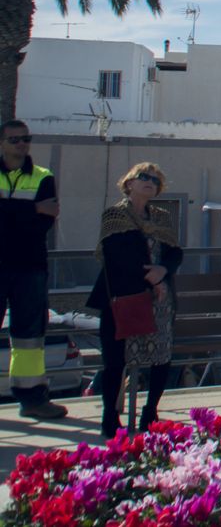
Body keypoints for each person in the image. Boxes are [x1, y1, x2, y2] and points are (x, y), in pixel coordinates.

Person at [88, 163, 183, 436]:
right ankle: (110, 415)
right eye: (143, 177)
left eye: (155, 179)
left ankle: (150, 411)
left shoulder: (162, 218)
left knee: (161, 356)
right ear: (129, 183)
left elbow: (175, 252)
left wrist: (163, 271)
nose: (149, 181)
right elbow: (117, 254)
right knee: (116, 359)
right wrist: (150, 279)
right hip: (124, 297)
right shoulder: (114, 215)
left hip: (160, 300)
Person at [0, 120, 67, 420]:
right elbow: (37, 215)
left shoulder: (44, 177)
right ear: (2, 143)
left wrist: (13, 215)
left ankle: (32, 399)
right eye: (14, 139)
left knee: (29, 337)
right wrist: (31, 210)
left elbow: (43, 224)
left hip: (30, 267)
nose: (21, 144)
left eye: (26, 138)